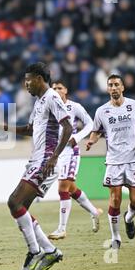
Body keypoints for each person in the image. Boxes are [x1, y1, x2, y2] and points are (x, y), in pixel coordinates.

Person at [0, 62, 72, 270]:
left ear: (39, 79)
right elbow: (29, 130)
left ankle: (34, 251)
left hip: (46, 160)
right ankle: (50, 250)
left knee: (14, 201)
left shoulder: (52, 97)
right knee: (21, 208)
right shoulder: (40, 102)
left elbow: (67, 126)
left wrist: (54, 157)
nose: (26, 85)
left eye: (28, 80)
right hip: (37, 159)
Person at [86, 74, 135, 249]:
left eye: (116, 84)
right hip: (114, 161)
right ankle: (116, 238)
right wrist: (92, 140)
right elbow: (96, 130)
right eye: (110, 85)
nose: (113, 88)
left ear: (122, 87)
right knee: (114, 201)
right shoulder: (101, 111)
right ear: (107, 89)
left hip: (134, 159)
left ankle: (128, 218)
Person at [48, 80, 103, 240]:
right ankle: (94, 212)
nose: (57, 90)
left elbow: (90, 123)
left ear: (65, 90)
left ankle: (62, 229)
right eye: (54, 88)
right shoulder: (49, 107)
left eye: (59, 88)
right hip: (57, 153)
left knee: (62, 189)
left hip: (70, 152)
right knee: (71, 188)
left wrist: (77, 137)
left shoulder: (74, 107)